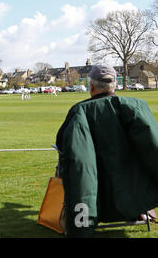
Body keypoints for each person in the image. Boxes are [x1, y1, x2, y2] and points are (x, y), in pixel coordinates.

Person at [55, 64, 158, 237]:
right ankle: (140, 209)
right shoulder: (137, 106)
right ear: (115, 85)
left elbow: (67, 149)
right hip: (132, 190)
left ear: (91, 86)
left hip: (98, 192)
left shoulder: (80, 111)